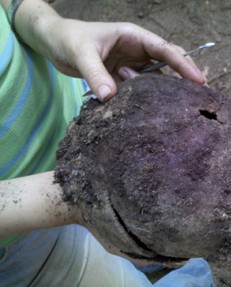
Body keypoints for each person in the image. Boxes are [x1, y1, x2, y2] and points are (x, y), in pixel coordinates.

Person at [0, 0, 215, 286]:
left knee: (147, 228)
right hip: (25, 232)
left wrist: (53, 30)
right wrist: (73, 197)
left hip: (80, 103)